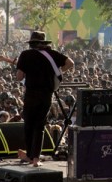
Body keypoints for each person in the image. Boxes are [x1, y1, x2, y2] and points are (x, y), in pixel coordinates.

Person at [15, 31, 74, 167]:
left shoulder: (25, 55)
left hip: (31, 94)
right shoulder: (52, 55)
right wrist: (56, 72)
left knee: (29, 124)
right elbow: (70, 63)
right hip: (46, 94)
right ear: (44, 43)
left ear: (31, 43)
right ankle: (36, 158)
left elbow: (19, 77)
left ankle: (30, 155)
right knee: (39, 126)